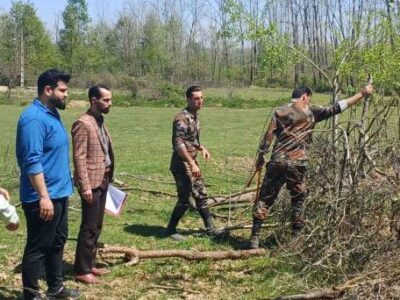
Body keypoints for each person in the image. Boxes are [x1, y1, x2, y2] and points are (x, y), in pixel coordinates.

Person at [249, 84, 374, 249]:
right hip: (298, 163)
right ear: (304, 96)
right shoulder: (311, 111)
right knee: (298, 197)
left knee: (265, 198)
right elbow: (337, 107)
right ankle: (296, 237)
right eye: (309, 98)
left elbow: (268, 137)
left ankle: (254, 238)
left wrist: (260, 157)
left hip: (277, 162)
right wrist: (362, 94)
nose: (309, 101)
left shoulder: (279, 111)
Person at [16, 69, 80, 300]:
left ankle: (56, 288)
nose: (66, 94)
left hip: (59, 193)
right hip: (42, 197)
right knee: (38, 247)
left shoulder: (51, 113)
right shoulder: (33, 119)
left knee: (57, 241)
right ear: (48, 90)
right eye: (62, 90)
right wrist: (43, 196)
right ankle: (31, 294)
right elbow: (31, 161)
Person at [165, 86, 224, 240]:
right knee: (185, 198)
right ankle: (170, 229)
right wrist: (191, 163)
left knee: (201, 194)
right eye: (196, 98)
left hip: (191, 162)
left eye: (201, 98)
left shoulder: (194, 116)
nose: (200, 101)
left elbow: (190, 139)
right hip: (181, 165)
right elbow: (178, 144)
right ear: (189, 99)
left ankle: (210, 229)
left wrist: (201, 147)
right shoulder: (182, 118)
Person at [72, 85, 114, 284]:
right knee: (88, 227)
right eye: (106, 100)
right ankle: (81, 270)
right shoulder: (83, 123)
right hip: (92, 182)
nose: (109, 104)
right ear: (93, 100)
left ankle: (90, 264)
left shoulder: (100, 121)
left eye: (110, 100)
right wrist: (85, 186)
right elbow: (79, 158)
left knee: (97, 225)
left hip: (103, 179)